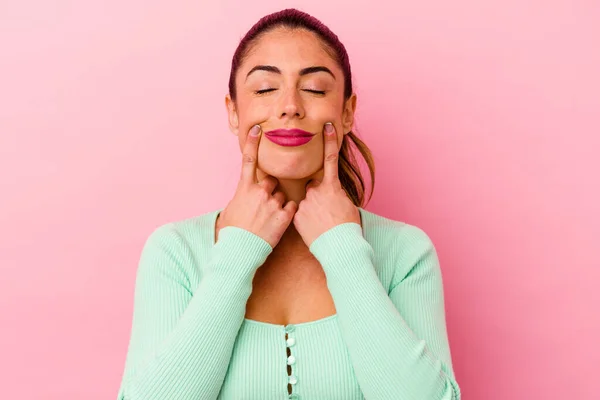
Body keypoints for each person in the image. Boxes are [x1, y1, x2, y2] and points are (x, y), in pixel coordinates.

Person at [116, 8, 461, 400]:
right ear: (233, 112)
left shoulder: (406, 252)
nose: (290, 106)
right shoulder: (174, 251)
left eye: (314, 88)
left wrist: (343, 248)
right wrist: (237, 250)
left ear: (347, 112)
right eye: (265, 88)